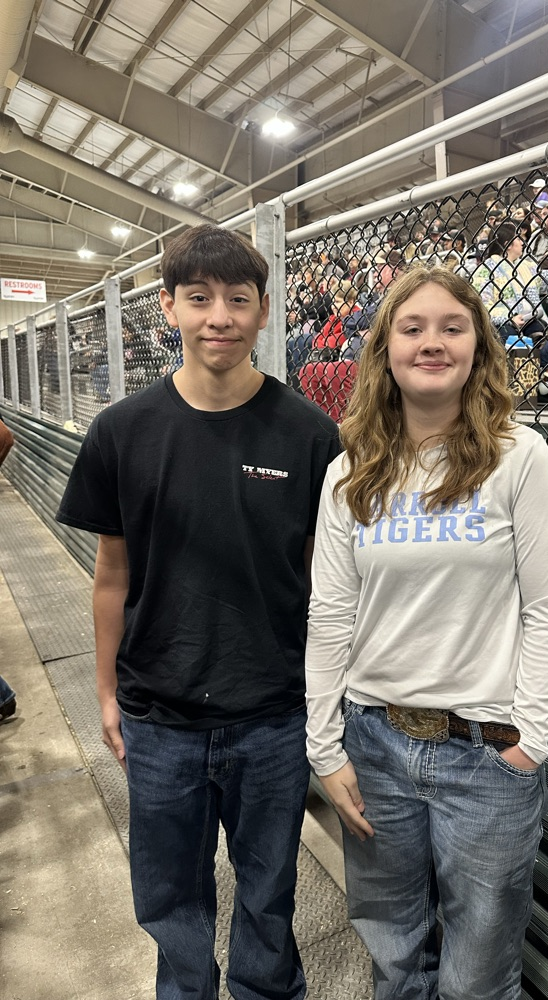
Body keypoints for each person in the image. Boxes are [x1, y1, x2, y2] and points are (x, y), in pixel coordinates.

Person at [56, 224, 340, 1000]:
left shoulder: (311, 436)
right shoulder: (122, 432)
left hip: (273, 713)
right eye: (199, 298)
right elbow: (111, 575)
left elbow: (325, 584)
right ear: (168, 308)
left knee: (268, 894)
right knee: (171, 900)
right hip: (159, 715)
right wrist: (110, 694)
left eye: (237, 300)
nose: (219, 315)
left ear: (265, 312)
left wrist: (324, 700)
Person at [305, 264, 548, 1000]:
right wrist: (324, 746)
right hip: (374, 744)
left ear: (478, 349)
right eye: (413, 328)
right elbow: (330, 613)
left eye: (452, 328)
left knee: (476, 977)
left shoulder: (519, 459)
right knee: (394, 955)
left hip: (487, 756)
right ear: (385, 351)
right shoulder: (349, 474)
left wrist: (531, 741)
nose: (433, 342)